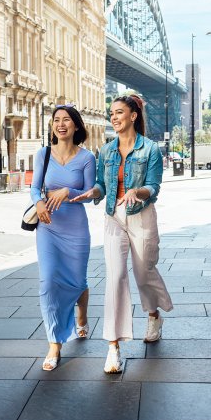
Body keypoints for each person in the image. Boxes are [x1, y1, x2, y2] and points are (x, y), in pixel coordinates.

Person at [70, 94, 173, 373]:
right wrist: (93, 191)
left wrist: (137, 191)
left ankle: (154, 316)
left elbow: (154, 186)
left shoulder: (150, 149)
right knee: (115, 277)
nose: (113, 117)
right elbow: (102, 183)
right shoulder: (106, 151)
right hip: (114, 217)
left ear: (133, 116)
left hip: (141, 215)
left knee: (143, 272)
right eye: (111, 113)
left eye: (118, 112)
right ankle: (113, 347)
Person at [31, 105, 96, 371]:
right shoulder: (43, 154)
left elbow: (92, 192)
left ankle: (82, 318)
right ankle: (54, 344)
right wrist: (38, 203)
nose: (60, 124)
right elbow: (35, 187)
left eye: (66, 120)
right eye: (56, 120)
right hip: (48, 227)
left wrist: (67, 191)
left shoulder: (87, 158)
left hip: (76, 227)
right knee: (48, 282)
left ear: (76, 126)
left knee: (78, 283)